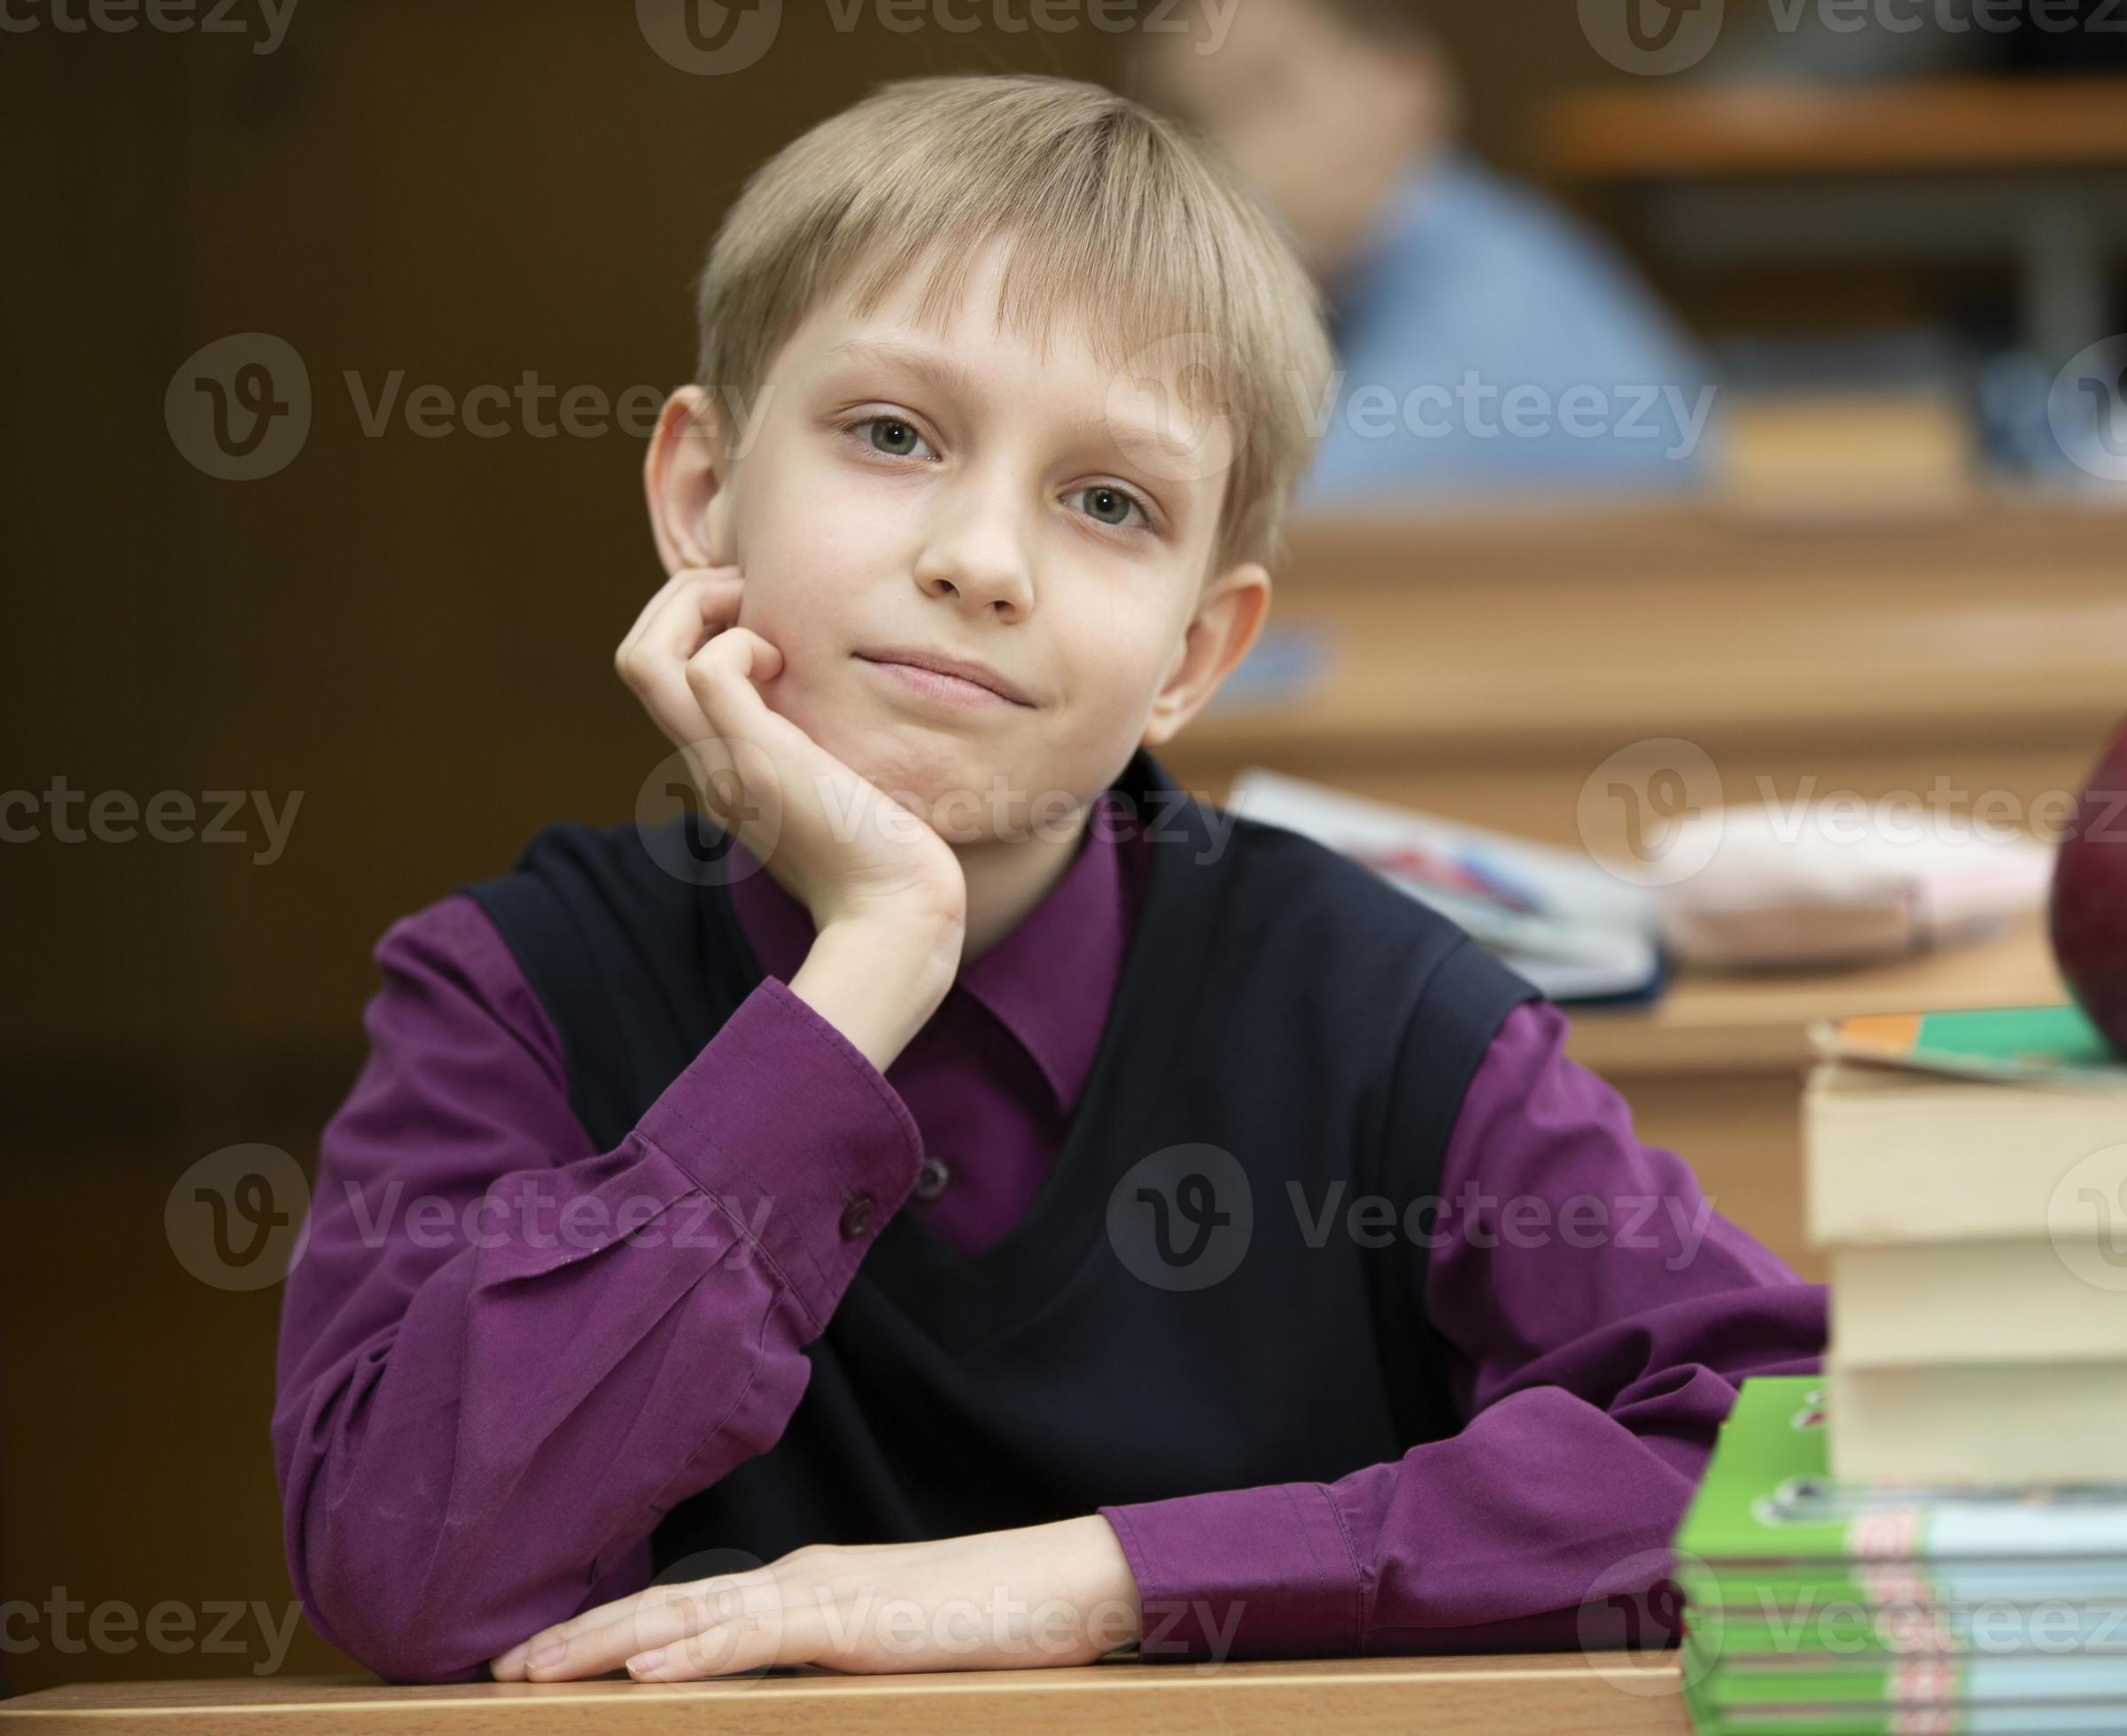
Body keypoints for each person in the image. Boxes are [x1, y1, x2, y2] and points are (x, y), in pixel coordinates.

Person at [270, 74, 1823, 1686]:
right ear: (700, 496)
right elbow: (410, 1566)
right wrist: (870, 960)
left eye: (1107, 502)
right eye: (891, 434)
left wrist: (1105, 1576)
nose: (983, 560)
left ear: (1196, 653)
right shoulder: (510, 993)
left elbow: (1792, 1460)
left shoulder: (1380, 1014)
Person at [1137, 0, 1721, 502]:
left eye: (1265, 94)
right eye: (1197, 125)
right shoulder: (1472, 260)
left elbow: (1279, 541)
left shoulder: (1488, 306)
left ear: (1406, 79)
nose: (1236, 161)